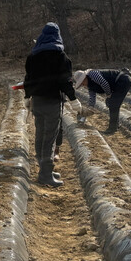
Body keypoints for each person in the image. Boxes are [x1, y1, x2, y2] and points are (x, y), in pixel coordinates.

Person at [24, 23, 82, 187]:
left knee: (40, 134)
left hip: (37, 101)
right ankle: (45, 174)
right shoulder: (60, 56)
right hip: (52, 102)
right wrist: (73, 99)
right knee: (49, 138)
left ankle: (44, 168)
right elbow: (65, 81)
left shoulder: (33, 56)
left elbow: (28, 78)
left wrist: (27, 96)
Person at [73, 67, 131, 134]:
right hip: (117, 84)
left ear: (85, 77)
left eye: (82, 82)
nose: (83, 85)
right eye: (81, 84)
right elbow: (92, 98)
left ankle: (112, 128)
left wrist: (108, 94)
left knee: (113, 104)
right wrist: (90, 108)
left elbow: (104, 83)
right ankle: (115, 125)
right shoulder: (90, 86)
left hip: (123, 80)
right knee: (111, 103)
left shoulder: (93, 74)